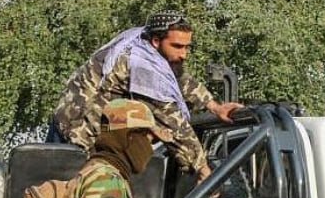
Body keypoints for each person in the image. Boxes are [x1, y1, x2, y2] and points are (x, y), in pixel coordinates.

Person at [53, 10, 243, 181]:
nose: (184, 54)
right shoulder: (142, 66)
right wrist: (202, 169)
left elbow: (178, 78)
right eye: (177, 46)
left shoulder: (141, 41)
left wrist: (215, 107)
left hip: (69, 123)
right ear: (156, 41)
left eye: (187, 47)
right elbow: (172, 122)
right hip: (79, 136)